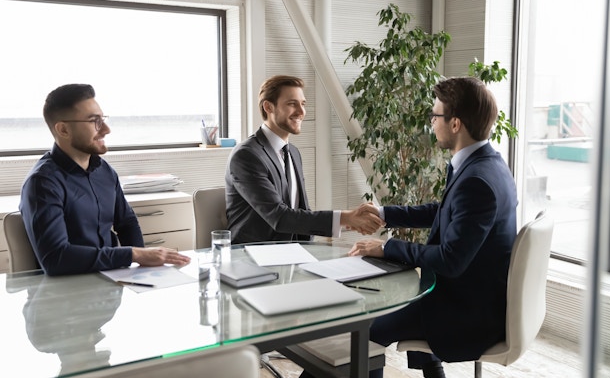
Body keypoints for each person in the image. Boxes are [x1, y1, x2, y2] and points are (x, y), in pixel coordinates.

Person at [301, 77, 518, 378]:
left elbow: (450, 260)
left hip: (465, 312)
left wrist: (387, 247)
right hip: (471, 297)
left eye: (435, 116)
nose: (431, 122)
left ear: (455, 124)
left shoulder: (476, 181)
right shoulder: (486, 164)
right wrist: (384, 212)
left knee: (366, 327)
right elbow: (443, 212)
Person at [19, 84, 191, 276]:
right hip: (67, 292)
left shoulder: (105, 171)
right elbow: (56, 259)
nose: (106, 129)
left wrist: (144, 272)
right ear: (63, 130)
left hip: (111, 283)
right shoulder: (42, 183)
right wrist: (134, 254)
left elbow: (126, 222)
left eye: (103, 119)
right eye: (94, 121)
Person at [225, 75, 384, 244]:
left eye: (303, 104)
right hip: (251, 259)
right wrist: (346, 217)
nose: (301, 112)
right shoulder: (246, 156)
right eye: (292, 104)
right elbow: (280, 217)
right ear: (268, 107)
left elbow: (301, 212)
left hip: (292, 255)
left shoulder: (292, 153)